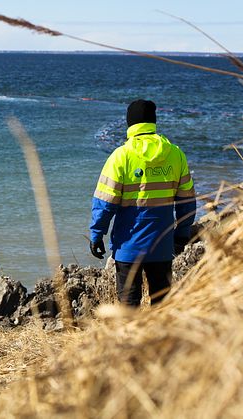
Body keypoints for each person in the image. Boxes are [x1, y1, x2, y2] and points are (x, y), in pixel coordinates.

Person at [89, 99, 196, 307]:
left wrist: (96, 234)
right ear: (153, 123)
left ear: (130, 124)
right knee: (161, 303)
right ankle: (160, 339)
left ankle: (130, 340)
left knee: (128, 304)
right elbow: (187, 201)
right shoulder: (175, 154)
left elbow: (105, 202)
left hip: (128, 246)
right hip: (162, 245)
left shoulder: (121, 157)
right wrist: (182, 233)